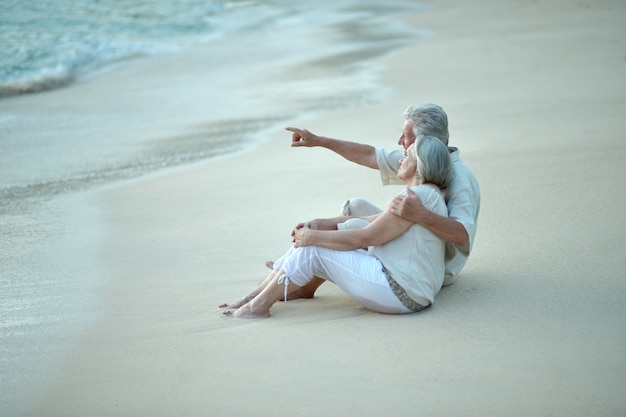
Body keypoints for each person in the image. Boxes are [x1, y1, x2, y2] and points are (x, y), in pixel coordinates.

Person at [220, 136, 452, 318]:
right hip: (410, 292)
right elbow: (376, 221)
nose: (401, 159)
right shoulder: (426, 195)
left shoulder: (416, 197)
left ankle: (257, 306)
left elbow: (365, 237)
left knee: (313, 248)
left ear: (421, 166)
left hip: (401, 293)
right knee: (320, 238)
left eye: (408, 156)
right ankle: (258, 293)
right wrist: (322, 224)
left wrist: (312, 237)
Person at [281, 103, 480, 297]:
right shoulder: (417, 159)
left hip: (433, 269)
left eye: (407, 136)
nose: (400, 141)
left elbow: (463, 235)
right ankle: (299, 275)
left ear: (424, 142)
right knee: (354, 207)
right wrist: (318, 140)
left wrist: (421, 214)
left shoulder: (460, 180)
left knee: (357, 229)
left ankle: (299, 268)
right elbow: (369, 155)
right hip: (414, 247)